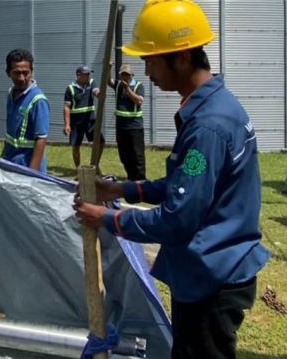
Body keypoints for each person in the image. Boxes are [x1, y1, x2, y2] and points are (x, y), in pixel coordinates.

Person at [73, 1, 269, 358]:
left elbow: (178, 218)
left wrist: (107, 218)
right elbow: (186, 187)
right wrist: (123, 189)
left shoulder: (208, 126)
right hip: (217, 267)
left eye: (151, 61)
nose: (147, 73)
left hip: (212, 278)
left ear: (181, 57)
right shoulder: (217, 108)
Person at [1, 49, 49, 173]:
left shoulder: (38, 100)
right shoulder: (11, 94)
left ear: (31, 72)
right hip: (11, 163)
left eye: (25, 73)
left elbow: (41, 139)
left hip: (28, 167)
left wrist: (31, 174)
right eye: (16, 73)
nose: (22, 78)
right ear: (8, 73)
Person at [108, 64, 146, 180]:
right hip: (121, 126)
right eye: (123, 75)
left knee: (137, 154)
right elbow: (108, 82)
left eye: (127, 75)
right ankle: (130, 176)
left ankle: (140, 179)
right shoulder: (118, 85)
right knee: (124, 154)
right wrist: (108, 68)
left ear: (132, 76)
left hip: (135, 126)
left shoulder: (138, 86)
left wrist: (127, 89)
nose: (125, 77)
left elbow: (139, 101)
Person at [63, 65, 103, 168]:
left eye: (89, 74)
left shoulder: (91, 83)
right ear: (78, 75)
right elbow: (67, 107)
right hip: (76, 122)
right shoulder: (71, 88)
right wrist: (67, 124)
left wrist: (99, 93)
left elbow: (96, 92)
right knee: (75, 146)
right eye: (86, 74)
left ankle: (95, 165)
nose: (88, 76)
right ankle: (78, 168)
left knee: (101, 141)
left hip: (90, 120)